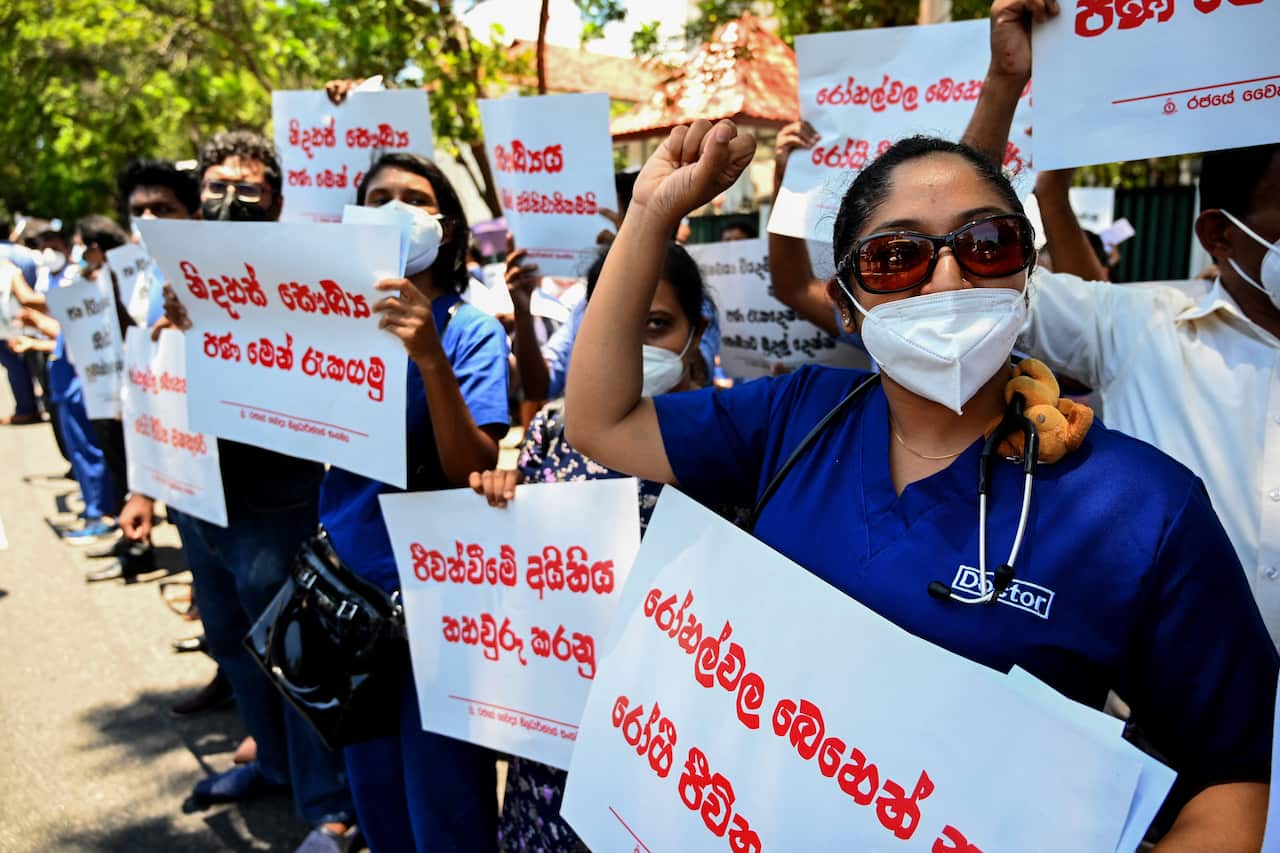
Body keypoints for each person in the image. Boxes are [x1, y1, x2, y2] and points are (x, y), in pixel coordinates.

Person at [563, 115, 1277, 850]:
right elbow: (600, 420)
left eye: (986, 244)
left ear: (1026, 275)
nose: (948, 276)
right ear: (845, 303)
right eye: (897, 256)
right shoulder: (792, 414)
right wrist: (652, 212)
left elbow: (1241, 775)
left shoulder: (1140, 509)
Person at [962, 0, 1280, 652]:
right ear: (1219, 233)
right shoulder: (1140, 325)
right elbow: (967, 273)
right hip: (1151, 726)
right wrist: (1003, 86)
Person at [472, 242, 710, 852]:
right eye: (617, 320)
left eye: (656, 324)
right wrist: (502, 498)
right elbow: (523, 572)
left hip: (665, 747)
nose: (633, 344)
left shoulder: (733, 439)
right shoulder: (555, 426)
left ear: (695, 332)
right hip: (553, 743)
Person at [157, 130, 355, 853]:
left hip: (273, 501)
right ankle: (271, 764)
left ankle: (329, 805)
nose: (230, 200)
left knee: (291, 653)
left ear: (276, 200)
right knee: (232, 643)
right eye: (216, 187)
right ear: (197, 192)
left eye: (248, 188)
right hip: (194, 490)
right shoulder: (170, 264)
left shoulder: (301, 273)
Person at [320, 151, 509, 852]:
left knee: (446, 806)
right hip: (350, 595)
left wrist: (430, 357)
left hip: (438, 605)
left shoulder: (469, 331)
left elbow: (473, 465)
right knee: (377, 797)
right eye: (379, 196)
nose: (396, 208)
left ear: (449, 230)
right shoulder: (334, 322)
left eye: (415, 197)